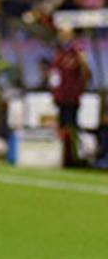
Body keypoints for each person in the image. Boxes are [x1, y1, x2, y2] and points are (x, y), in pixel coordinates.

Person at [49, 27, 90, 165]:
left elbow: (86, 73)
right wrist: (54, 92)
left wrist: (81, 88)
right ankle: (63, 155)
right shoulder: (59, 54)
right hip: (61, 96)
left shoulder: (77, 53)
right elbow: (54, 75)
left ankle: (74, 155)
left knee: (71, 125)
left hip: (72, 96)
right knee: (61, 126)